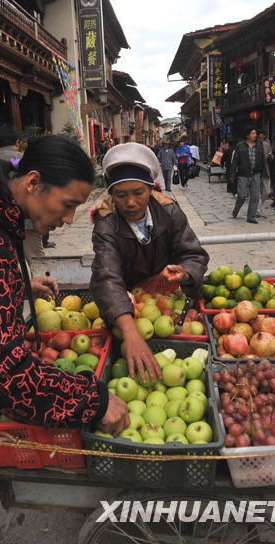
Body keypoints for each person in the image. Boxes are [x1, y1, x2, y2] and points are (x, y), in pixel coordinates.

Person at [0, 136, 128, 543]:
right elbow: (0, 372)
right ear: (32, 182)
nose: (68, 220)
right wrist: (92, 401)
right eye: (68, 205)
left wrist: (16, 286)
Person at [90, 143, 209, 384]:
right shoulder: (107, 223)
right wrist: (129, 328)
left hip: (168, 297)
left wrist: (185, 274)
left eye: (138, 192)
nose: (131, 202)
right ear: (111, 195)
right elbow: (107, 275)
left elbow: (193, 254)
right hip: (127, 304)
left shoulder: (169, 211)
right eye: (121, 195)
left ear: (150, 188)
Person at [0, 124, 55, 256]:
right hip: (26, 221)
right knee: (37, 262)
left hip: (1, 223)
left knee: (9, 264)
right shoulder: (24, 160)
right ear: (17, 142)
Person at [231, 126, 267, 224]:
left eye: (255, 133)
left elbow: (262, 160)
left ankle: (251, 217)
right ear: (247, 135)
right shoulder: (240, 146)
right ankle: (236, 210)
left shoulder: (259, 145)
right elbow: (235, 161)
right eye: (253, 133)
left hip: (256, 174)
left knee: (255, 196)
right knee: (242, 195)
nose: (255, 135)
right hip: (243, 174)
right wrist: (232, 174)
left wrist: (264, 173)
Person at [258, 130, 272, 210]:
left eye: (262, 138)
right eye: (259, 138)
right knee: (257, 191)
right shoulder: (253, 146)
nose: (261, 139)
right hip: (256, 172)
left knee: (267, 191)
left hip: (265, 170)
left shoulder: (267, 145)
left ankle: (260, 203)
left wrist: (270, 157)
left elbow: (271, 154)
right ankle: (257, 208)